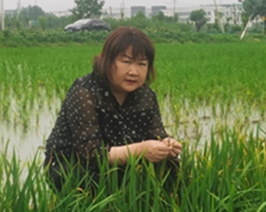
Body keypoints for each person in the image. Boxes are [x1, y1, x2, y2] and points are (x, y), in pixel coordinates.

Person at [44, 26, 182, 190]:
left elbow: (156, 134)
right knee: (92, 177)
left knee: (170, 165)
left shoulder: (146, 95)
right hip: (74, 164)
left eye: (142, 64)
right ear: (108, 62)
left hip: (121, 162)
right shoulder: (85, 92)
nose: (134, 72)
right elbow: (90, 155)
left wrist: (167, 145)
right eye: (126, 62)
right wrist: (141, 149)